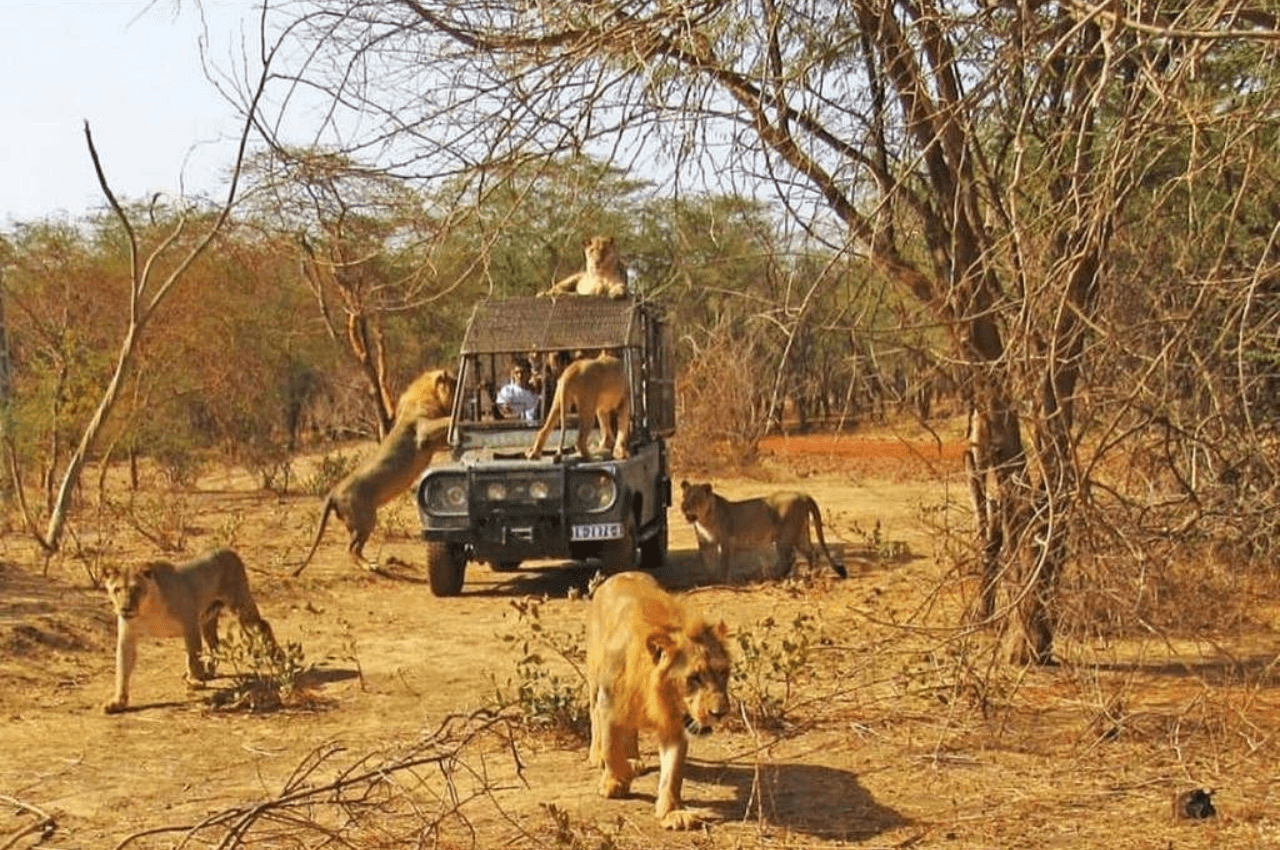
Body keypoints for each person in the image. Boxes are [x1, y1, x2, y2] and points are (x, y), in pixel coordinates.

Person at [495, 358, 540, 422]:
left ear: (529, 374)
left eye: (523, 372)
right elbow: (504, 413)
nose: (520, 376)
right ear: (513, 374)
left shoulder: (534, 393)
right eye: (517, 372)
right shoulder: (507, 391)